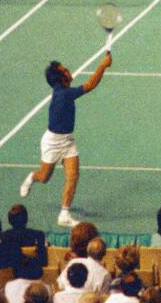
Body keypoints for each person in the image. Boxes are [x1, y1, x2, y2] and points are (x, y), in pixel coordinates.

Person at [19, 52, 112, 227]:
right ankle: (32, 177)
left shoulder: (61, 89)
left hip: (67, 141)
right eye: (65, 70)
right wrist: (103, 65)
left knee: (73, 176)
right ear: (62, 78)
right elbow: (90, 85)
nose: (69, 71)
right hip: (52, 143)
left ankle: (64, 214)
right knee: (44, 177)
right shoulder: (64, 94)